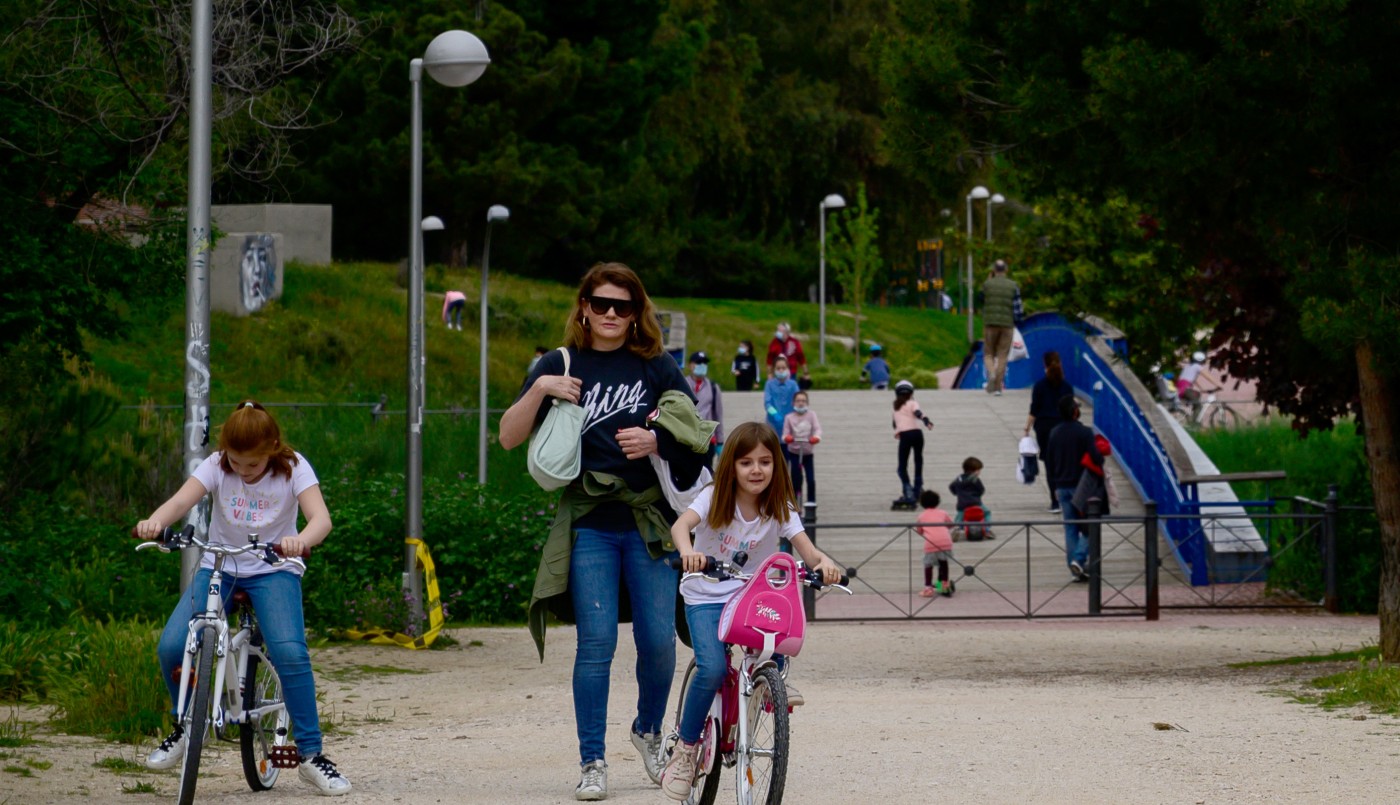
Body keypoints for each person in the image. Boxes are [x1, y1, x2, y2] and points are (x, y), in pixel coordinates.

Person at [498, 262, 701, 801]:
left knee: (658, 641)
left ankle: (648, 731)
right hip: (590, 521)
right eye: (602, 303)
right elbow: (508, 437)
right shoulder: (560, 363)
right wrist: (540, 387)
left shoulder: (655, 365)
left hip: (650, 520)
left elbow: (699, 435)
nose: (612, 314)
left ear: (638, 313)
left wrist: (659, 442)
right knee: (597, 644)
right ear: (584, 307)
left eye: (624, 306)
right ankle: (592, 760)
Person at [134, 400, 351, 796]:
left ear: (272, 448)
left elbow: (322, 519)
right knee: (171, 645)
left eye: (252, 464)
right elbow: (182, 501)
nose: (242, 471)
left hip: (274, 569)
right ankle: (184, 726)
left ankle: (311, 755)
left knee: (289, 653)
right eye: (236, 462)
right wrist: (157, 521)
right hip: (220, 565)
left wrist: (299, 541)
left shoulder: (294, 467)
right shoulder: (217, 465)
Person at [661, 422, 841, 801]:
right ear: (732, 466)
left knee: (778, 628)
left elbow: (809, 552)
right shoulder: (712, 497)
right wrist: (687, 552)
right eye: (746, 462)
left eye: (764, 461)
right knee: (710, 668)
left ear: (777, 464)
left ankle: (768, 679)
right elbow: (682, 526)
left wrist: (827, 565)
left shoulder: (780, 507)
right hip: (706, 592)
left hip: (748, 595)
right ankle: (686, 748)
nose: (756, 470)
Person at [1045, 395, 1103, 583]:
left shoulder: (1054, 433)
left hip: (1061, 486)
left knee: (1070, 528)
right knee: (1090, 525)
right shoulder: (1085, 432)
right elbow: (1096, 457)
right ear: (1075, 411)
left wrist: (1053, 486)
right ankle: (1078, 559)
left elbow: (1049, 462)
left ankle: (1074, 569)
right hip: (1082, 487)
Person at [1024, 350, 1074, 512]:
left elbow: (1034, 409)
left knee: (1050, 465)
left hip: (1044, 428)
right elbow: (1071, 409)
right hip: (1063, 427)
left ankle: (1055, 501)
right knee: (1065, 462)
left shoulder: (1039, 385)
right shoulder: (1067, 386)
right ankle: (1069, 496)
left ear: (1044, 365)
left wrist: (1027, 428)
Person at [891, 379, 934, 508]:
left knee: (902, 467)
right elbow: (918, 413)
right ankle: (918, 488)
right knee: (918, 461)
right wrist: (926, 421)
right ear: (911, 393)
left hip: (905, 436)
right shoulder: (913, 402)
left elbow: (894, 424)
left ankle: (908, 490)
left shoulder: (895, 406)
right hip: (917, 434)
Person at [980, 259, 1020, 395]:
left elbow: (980, 299)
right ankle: (998, 387)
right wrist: (1017, 321)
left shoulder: (987, 284)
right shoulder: (1013, 285)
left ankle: (991, 373)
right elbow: (1018, 308)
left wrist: (988, 280)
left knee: (988, 353)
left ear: (994, 270)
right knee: (1003, 355)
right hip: (1007, 324)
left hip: (990, 323)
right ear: (1006, 270)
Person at [782, 390, 822, 505]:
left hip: (807, 452)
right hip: (794, 452)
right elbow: (785, 432)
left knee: (810, 479)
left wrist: (816, 437)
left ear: (807, 403)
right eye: (798, 401)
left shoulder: (811, 415)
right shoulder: (789, 417)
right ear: (793, 403)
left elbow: (817, 428)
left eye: (803, 401)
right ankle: (794, 503)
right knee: (795, 478)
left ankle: (811, 502)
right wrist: (787, 437)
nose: (801, 403)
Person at [915, 490, 955, 597]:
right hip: (946, 542)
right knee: (943, 564)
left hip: (931, 543)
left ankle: (928, 588)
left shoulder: (922, 516)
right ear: (938, 502)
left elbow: (919, 531)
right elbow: (951, 525)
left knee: (928, 565)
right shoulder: (943, 513)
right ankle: (944, 586)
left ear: (922, 503)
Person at [686, 351, 724, 448]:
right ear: (690, 365)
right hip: (686, 439)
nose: (702, 366)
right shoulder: (682, 385)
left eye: (704, 363)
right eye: (698, 363)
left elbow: (718, 414)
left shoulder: (713, 387)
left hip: (707, 440)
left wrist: (720, 441)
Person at [763, 355, 800, 441]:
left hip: (790, 422)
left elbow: (798, 400)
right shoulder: (769, 384)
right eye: (778, 368)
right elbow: (767, 403)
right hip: (773, 422)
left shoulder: (793, 384)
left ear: (788, 369)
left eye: (783, 368)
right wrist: (775, 414)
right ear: (774, 370)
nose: (781, 370)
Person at [948, 456, 991, 523]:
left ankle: (959, 528)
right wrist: (977, 495)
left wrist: (957, 493)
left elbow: (951, 487)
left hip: (962, 505)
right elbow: (981, 490)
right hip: (976, 503)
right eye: (979, 470)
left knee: (959, 518)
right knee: (987, 513)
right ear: (975, 471)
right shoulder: (975, 480)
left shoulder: (959, 478)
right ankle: (987, 528)